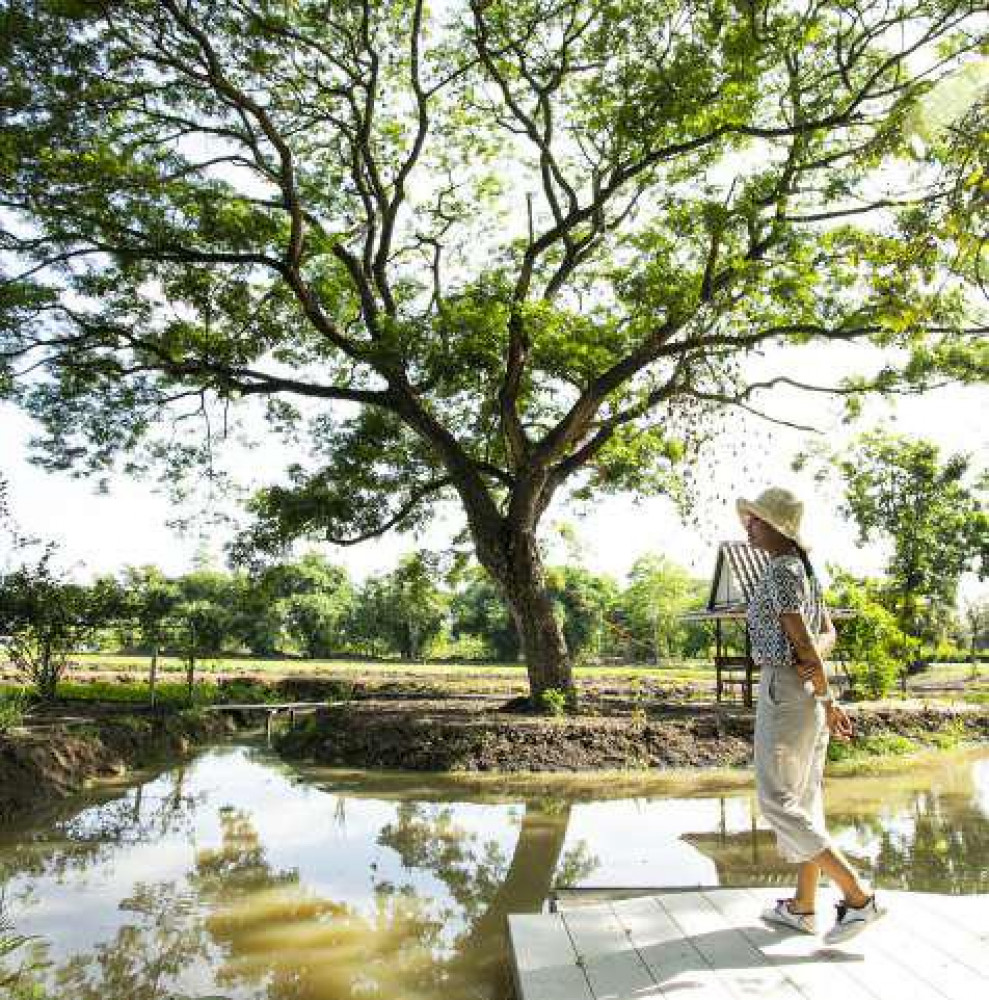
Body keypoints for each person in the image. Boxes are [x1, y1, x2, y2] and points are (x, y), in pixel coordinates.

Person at [737, 486, 886, 945]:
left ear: (779, 527)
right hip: (801, 692)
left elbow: (805, 640)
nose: (748, 525)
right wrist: (824, 693)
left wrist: (818, 686)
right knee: (803, 799)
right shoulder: (803, 569)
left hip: (784, 688)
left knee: (776, 801)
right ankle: (803, 906)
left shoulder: (782, 569)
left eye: (757, 520)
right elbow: (828, 632)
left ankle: (858, 898)